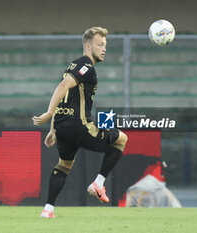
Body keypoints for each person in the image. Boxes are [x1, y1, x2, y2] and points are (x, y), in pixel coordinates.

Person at [32, 27, 128, 219]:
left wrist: (53, 128)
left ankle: (48, 209)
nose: (104, 49)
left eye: (105, 45)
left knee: (64, 165)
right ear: (88, 45)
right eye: (100, 45)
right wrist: (49, 113)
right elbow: (63, 87)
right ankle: (98, 183)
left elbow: (65, 96)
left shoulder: (72, 66)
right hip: (79, 125)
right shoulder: (86, 66)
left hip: (62, 126)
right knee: (121, 139)